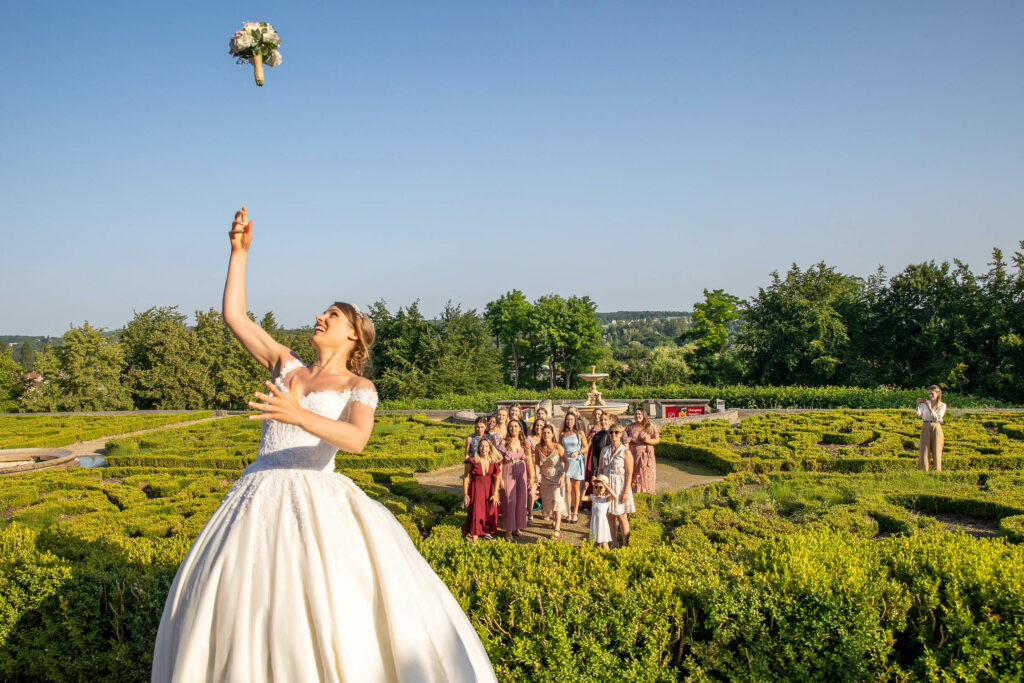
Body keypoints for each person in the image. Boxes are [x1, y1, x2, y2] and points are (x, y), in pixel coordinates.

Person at [152, 206, 496, 682]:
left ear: (353, 333)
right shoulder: (286, 365)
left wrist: (298, 415)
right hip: (255, 498)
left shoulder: (360, 387)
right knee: (239, 605)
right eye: (322, 312)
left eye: (331, 315)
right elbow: (234, 316)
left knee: (320, 606)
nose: (319, 316)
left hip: (315, 498)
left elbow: (356, 440)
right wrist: (238, 254)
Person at [600, 423, 636, 548]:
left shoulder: (625, 452)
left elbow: (629, 473)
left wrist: (626, 492)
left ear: (621, 434)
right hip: (607, 487)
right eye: (611, 432)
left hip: (620, 487)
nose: (613, 434)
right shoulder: (604, 450)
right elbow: (600, 469)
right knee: (609, 515)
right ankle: (614, 542)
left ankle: (626, 544)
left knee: (621, 516)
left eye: (616, 432)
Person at [497, 420, 533, 539]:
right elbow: (499, 462)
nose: (513, 428)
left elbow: (529, 461)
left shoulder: (524, 442)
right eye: (511, 426)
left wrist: (532, 477)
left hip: (521, 472)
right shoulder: (504, 442)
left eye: (516, 426)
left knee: (521, 500)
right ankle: (508, 529)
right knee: (509, 500)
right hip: (507, 471)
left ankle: (517, 526)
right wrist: (500, 478)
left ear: (520, 428)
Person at [463, 438, 502, 542]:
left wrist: (496, 493)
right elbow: (466, 477)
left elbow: (498, 477)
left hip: (489, 488)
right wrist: (466, 494)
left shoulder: (494, 461)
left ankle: (487, 532)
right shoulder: (472, 461)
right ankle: (474, 534)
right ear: (478, 448)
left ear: (490, 448)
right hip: (476, 488)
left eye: (486, 446)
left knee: (490, 509)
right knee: (477, 510)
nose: (483, 448)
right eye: (481, 446)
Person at [534, 424, 568, 539]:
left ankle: (557, 529)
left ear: (553, 434)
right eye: (544, 433)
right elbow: (537, 463)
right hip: (545, 478)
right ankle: (555, 521)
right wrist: (536, 475)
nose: (546, 435)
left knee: (557, 501)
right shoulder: (538, 447)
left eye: (548, 432)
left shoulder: (558, 447)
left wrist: (563, 476)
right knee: (549, 503)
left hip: (558, 477)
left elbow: (566, 462)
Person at [560, 412, 588, 523]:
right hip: (566, 462)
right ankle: (568, 512)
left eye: (572, 419)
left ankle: (575, 513)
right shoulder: (562, 434)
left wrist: (578, 452)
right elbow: (559, 447)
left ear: (575, 421)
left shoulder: (579, 433)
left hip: (576, 461)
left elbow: (585, 447)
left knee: (576, 489)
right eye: (568, 419)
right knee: (567, 488)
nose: (569, 421)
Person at [626, 408, 660, 494]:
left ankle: (647, 493)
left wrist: (647, 441)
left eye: (639, 414)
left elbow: (657, 440)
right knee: (633, 472)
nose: (637, 416)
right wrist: (628, 440)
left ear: (644, 415)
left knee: (645, 473)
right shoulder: (630, 427)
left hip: (646, 455)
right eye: (636, 414)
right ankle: (633, 492)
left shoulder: (650, 426)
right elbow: (624, 439)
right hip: (633, 454)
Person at [917, 385, 947, 472]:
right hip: (925, 425)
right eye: (929, 394)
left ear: (938, 394)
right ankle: (923, 471)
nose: (930, 396)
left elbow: (937, 418)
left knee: (937, 449)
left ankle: (937, 471)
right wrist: (918, 405)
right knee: (924, 450)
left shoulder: (942, 405)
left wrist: (930, 408)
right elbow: (918, 415)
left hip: (936, 426)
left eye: (932, 394)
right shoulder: (925, 404)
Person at [589, 475, 614, 549]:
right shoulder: (594, 497)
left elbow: (614, 496)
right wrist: (584, 489)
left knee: (604, 543)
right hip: (595, 521)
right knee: (596, 542)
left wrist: (607, 486)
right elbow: (582, 498)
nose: (598, 489)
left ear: (605, 488)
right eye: (596, 487)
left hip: (602, 523)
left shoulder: (606, 499)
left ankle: (609, 558)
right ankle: (598, 558)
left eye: (601, 487)